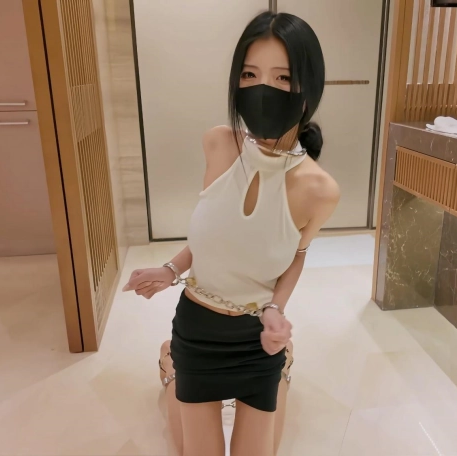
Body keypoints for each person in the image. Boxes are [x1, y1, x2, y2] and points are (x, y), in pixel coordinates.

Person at [122, 11, 339, 456]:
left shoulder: (319, 190)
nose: (263, 89)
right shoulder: (219, 145)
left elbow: (297, 254)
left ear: (309, 88)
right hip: (198, 329)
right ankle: (172, 364)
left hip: (257, 339)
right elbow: (217, 235)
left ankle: (282, 369)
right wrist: (170, 269)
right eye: (249, 74)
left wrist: (276, 310)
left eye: (283, 78)